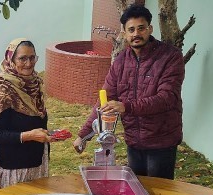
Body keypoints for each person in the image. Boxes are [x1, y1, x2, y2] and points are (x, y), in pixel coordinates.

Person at [73, 5, 185, 179]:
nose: (136, 34)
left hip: (161, 142)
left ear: (150, 29)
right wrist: (83, 136)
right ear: (124, 33)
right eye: (131, 30)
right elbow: (105, 100)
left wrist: (126, 106)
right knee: (136, 193)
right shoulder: (121, 61)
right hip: (133, 142)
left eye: (141, 28)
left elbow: (166, 98)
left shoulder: (170, 57)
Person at [0, 38, 50, 192]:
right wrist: (29, 136)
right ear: (11, 59)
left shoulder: (36, 84)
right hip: (14, 170)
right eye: (22, 58)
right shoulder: (3, 90)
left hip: (38, 164)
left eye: (32, 57)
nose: (29, 63)